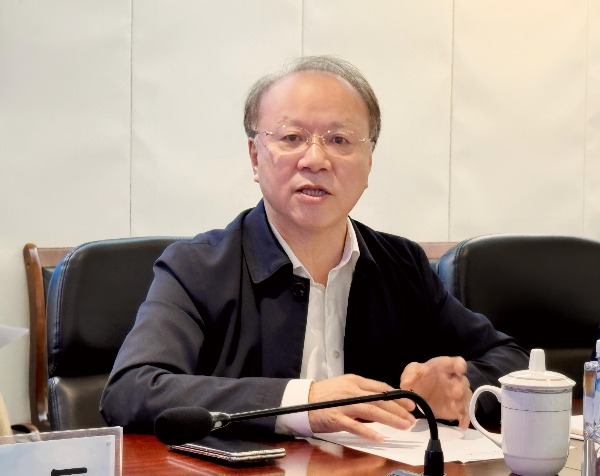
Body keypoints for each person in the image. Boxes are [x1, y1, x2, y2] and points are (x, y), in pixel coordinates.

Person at [100, 55, 529, 441]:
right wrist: (303, 402)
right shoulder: (197, 268)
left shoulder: (401, 265)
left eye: (339, 140)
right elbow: (132, 389)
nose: (315, 159)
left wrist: (461, 389)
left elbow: (512, 359)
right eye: (291, 138)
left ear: (369, 161)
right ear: (255, 156)